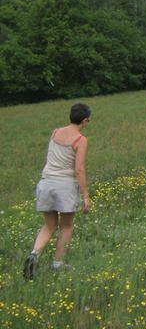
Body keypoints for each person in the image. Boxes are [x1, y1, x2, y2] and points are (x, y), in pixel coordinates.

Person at [23, 103, 92, 279]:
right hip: (65, 186)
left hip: (46, 183)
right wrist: (86, 196)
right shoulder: (81, 140)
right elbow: (79, 170)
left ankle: (34, 255)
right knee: (67, 226)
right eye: (88, 121)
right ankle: (57, 264)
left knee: (49, 226)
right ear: (84, 120)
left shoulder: (55, 132)